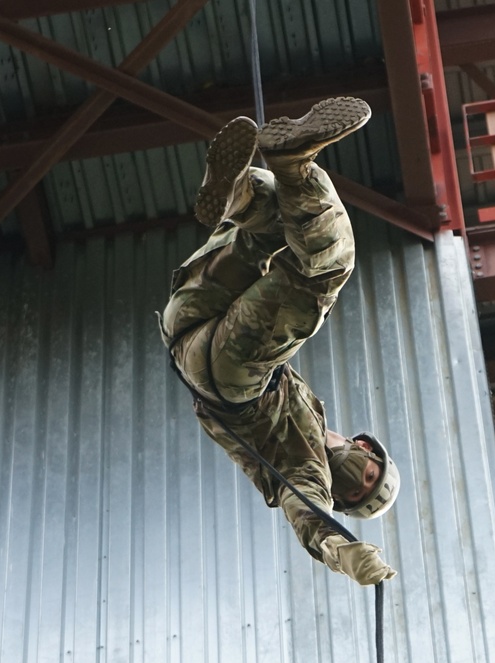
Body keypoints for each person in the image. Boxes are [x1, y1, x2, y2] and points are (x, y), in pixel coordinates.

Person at [158, 97, 400, 586]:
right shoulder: (311, 410)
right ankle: (237, 194)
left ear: (343, 500)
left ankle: (294, 165)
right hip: (192, 311)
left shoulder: (306, 466)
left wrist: (341, 551)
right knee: (271, 220)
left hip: (232, 375)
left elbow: (306, 510)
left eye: (360, 491)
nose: (358, 477)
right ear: (366, 447)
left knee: (328, 269)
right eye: (372, 472)